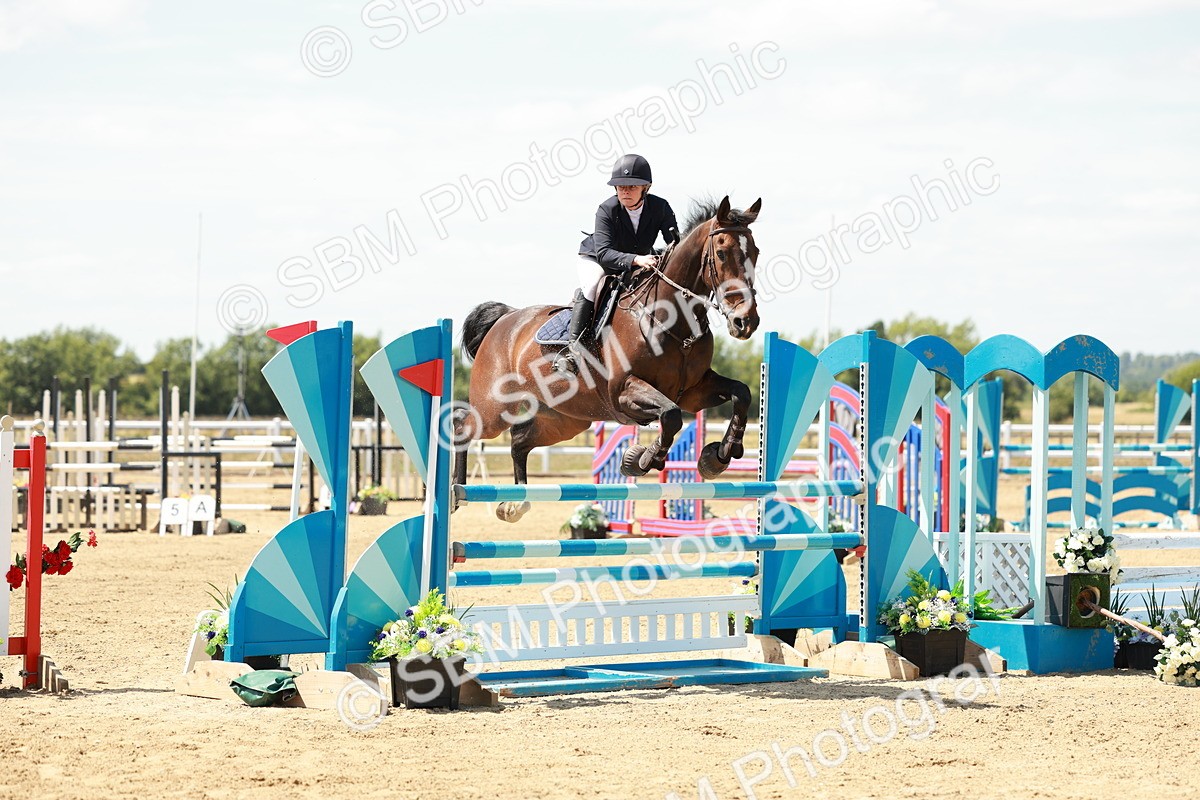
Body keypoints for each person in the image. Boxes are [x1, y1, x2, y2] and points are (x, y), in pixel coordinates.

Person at [554, 153, 680, 373]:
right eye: (620, 187)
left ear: (645, 188)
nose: (625, 191)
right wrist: (637, 259)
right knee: (593, 284)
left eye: (632, 186)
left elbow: (674, 244)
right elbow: (604, 253)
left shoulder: (660, 207)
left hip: (637, 261)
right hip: (597, 259)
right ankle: (572, 350)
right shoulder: (607, 209)